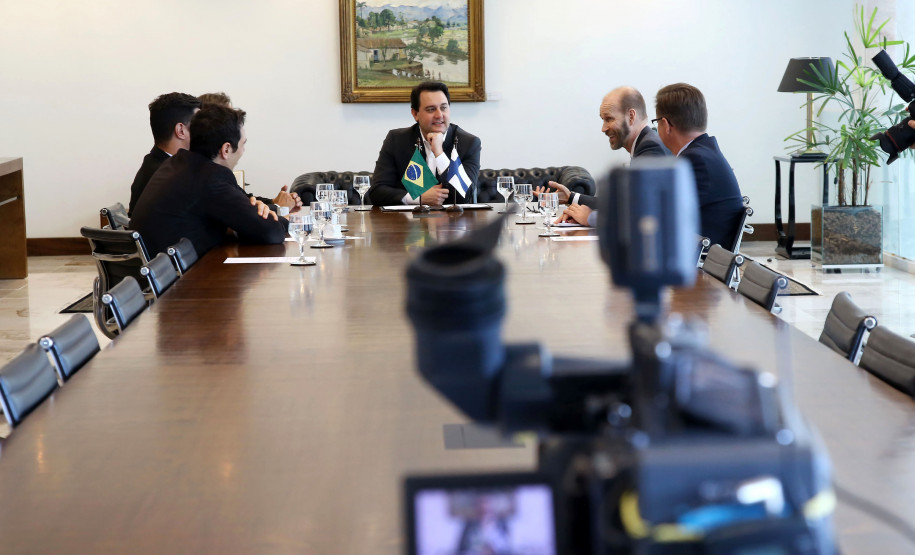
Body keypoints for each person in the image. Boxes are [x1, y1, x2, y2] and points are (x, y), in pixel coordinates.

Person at [130, 104, 289, 257]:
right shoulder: (210, 179)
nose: (243, 151)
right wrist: (284, 220)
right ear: (226, 149)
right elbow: (271, 233)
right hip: (180, 279)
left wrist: (255, 211)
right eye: (242, 144)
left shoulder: (178, 162)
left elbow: (245, 206)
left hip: (155, 273)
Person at [538, 86, 670, 226]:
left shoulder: (649, 147)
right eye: (603, 120)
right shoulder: (645, 143)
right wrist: (570, 197)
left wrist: (592, 218)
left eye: (609, 119)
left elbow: (641, 213)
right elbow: (620, 204)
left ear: (631, 116)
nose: (604, 128)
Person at [654, 83, 744, 247]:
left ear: (665, 125)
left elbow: (661, 213)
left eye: (656, 122)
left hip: (702, 263)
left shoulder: (695, 160)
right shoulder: (704, 153)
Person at [369, 81, 481, 207]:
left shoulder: (469, 143)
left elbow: (463, 197)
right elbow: (376, 192)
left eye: (444, 108)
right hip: (407, 223)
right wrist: (418, 198)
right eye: (431, 109)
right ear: (415, 114)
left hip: (453, 222)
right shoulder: (397, 140)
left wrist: (439, 153)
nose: (439, 115)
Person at [197, 91, 302, 214]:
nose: (235, 124)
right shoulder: (204, 172)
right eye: (230, 118)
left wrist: (273, 202)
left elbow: (244, 199)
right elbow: (240, 215)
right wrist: (280, 209)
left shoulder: (214, 166)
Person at [127, 92, 201, 216]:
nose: (204, 131)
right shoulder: (171, 175)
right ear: (181, 130)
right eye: (199, 125)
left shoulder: (153, 163)